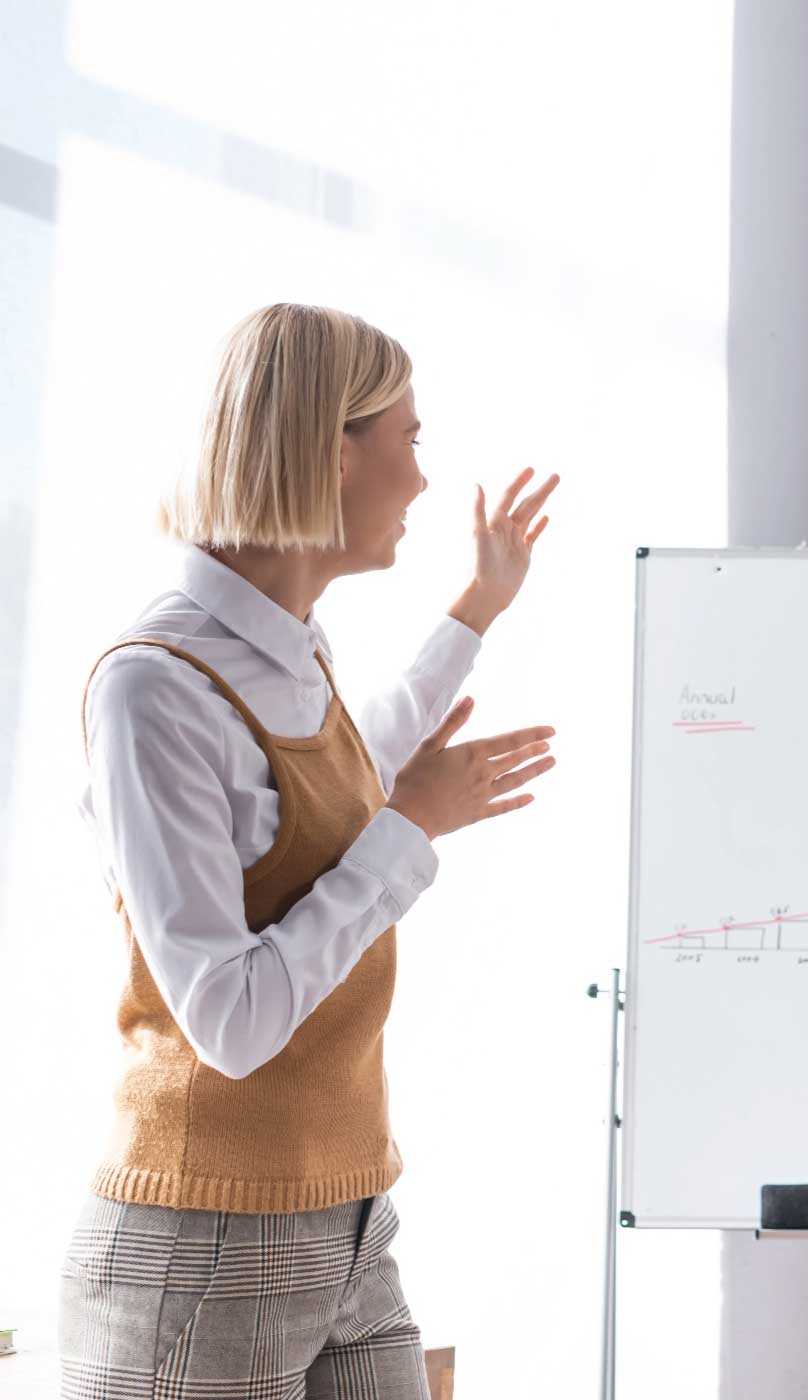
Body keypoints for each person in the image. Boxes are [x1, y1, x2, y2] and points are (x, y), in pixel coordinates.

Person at [63, 303, 560, 1398]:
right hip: (195, 1248)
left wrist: (480, 604)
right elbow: (232, 1022)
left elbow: (338, 771)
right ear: (331, 445)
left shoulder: (294, 651)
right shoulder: (153, 689)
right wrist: (410, 828)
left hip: (343, 1215)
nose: (424, 480)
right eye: (410, 437)